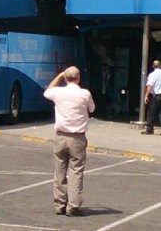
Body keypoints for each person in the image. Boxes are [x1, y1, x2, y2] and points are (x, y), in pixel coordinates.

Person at [43, 66, 95, 217]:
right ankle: (73, 206)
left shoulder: (58, 92)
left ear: (66, 78)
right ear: (78, 78)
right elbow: (92, 109)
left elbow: (47, 91)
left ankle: (59, 204)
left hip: (60, 135)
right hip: (77, 137)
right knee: (76, 171)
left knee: (59, 171)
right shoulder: (84, 93)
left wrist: (59, 77)